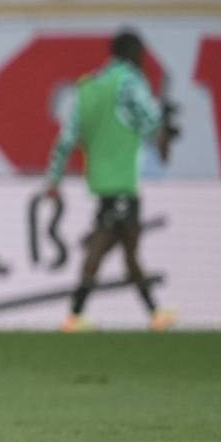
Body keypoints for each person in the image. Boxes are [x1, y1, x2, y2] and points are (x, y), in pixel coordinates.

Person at [44, 29, 179, 332]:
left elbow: (66, 138)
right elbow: (150, 117)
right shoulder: (129, 80)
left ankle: (154, 313)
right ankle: (75, 314)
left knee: (128, 246)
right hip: (122, 180)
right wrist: (164, 128)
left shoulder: (88, 87)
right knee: (109, 243)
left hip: (101, 180)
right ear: (134, 54)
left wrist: (54, 178)